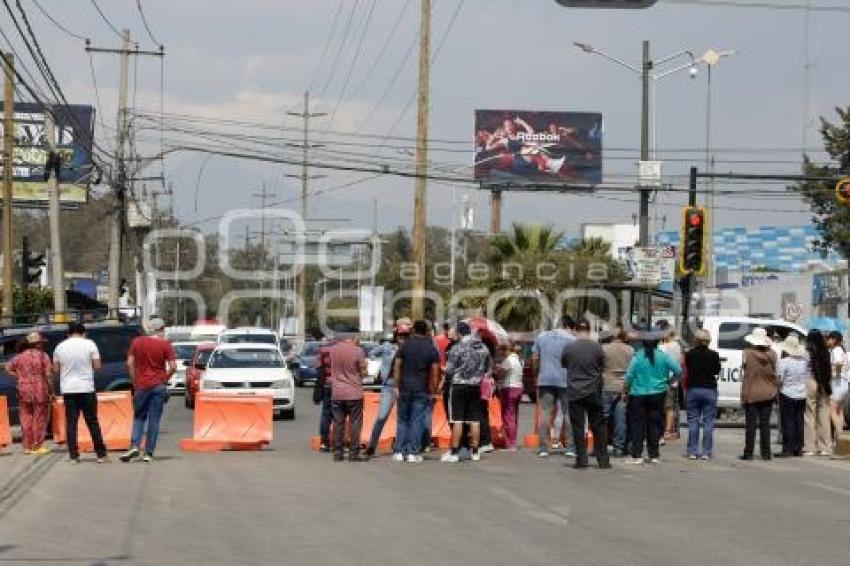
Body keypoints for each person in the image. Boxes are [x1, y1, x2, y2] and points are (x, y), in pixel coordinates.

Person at [120, 317, 176, 463]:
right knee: (154, 419)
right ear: (160, 329)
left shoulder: (137, 342)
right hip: (158, 385)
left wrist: (135, 381)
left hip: (141, 385)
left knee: (139, 417)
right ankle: (148, 453)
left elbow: (130, 363)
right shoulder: (166, 345)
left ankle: (134, 446)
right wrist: (164, 378)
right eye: (163, 329)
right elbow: (173, 366)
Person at [53, 323, 108, 463]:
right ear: (83, 333)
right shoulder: (90, 344)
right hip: (86, 388)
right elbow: (97, 366)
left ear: (68, 333)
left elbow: (56, 369)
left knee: (71, 422)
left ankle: (73, 456)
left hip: (68, 389)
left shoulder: (59, 347)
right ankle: (101, 454)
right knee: (92, 421)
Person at [624, 334, 682, 464]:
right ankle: (654, 455)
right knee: (654, 424)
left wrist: (625, 392)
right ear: (657, 343)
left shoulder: (637, 357)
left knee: (637, 425)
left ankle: (637, 455)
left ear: (643, 344)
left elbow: (629, 376)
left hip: (638, 394)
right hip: (658, 393)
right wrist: (669, 381)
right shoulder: (663, 356)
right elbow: (678, 370)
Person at [561, 321, 610, 469]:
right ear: (589, 331)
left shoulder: (569, 347)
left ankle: (581, 460)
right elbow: (603, 364)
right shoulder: (597, 347)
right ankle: (603, 460)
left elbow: (564, 364)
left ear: (576, 330)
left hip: (575, 391)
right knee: (598, 426)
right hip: (593, 390)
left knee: (578, 426)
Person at [441, 322, 491, 463]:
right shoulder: (483, 347)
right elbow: (488, 368)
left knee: (458, 419)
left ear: (460, 333)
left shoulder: (457, 348)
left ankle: (455, 452)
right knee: (475, 420)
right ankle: (475, 452)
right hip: (475, 386)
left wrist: (444, 370)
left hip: (458, 386)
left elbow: (450, 370)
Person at [393, 320, 440, 463]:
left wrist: (396, 385)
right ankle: (413, 452)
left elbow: (397, 365)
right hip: (421, 388)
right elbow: (435, 371)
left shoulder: (405, 345)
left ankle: (399, 452)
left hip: (405, 388)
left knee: (402, 420)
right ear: (426, 332)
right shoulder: (431, 348)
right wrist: (434, 390)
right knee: (417, 421)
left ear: (413, 331)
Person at [531, 316, 575, 458]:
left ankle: (543, 447)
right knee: (568, 413)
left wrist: (536, 374)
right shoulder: (572, 340)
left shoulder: (542, 337)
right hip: (565, 380)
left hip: (545, 379)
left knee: (545, 413)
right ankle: (570, 447)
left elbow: (535, 358)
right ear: (569, 326)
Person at [364, 323, 410, 458]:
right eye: (401, 335)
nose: (403, 337)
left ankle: (400, 447)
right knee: (381, 416)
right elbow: (371, 353)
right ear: (396, 335)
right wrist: (380, 367)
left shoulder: (410, 349)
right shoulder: (387, 347)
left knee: (403, 419)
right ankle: (372, 446)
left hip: (404, 386)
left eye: (406, 335)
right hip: (389, 386)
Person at [6, 333, 53, 456]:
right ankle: (37, 446)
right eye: (41, 343)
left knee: (25, 417)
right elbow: (48, 376)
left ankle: (27, 446)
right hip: (40, 389)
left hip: (23, 389)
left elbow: (7, 368)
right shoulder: (44, 357)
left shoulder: (19, 357)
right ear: (38, 344)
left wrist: (20, 376)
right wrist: (52, 391)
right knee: (39, 418)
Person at [740, 328, 780, 461]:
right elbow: (776, 372)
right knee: (765, 425)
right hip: (768, 392)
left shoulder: (746, 353)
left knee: (750, 425)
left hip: (751, 392)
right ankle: (766, 453)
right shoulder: (772, 355)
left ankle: (748, 453)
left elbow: (744, 368)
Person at [328, 334, 369, 462]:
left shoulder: (333, 350)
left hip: (337, 392)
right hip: (354, 392)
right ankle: (354, 453)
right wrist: (365, 367)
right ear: (354, 337)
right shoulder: (358, 351)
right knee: (355, 423)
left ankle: (338, 452)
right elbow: (363, 373)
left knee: (338, 422)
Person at [684, 329, 722, 460]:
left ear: (696, 340)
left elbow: (688, 368)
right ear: (708, 341)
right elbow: (717, 370)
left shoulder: (689, 354)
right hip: (709, 389)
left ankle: (692, 451)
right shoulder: (714, 354)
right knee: (708, 422)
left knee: (693, 421)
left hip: (693, 389)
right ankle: (706, 452)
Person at [775, 334, 809, 458]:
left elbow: (779, 380)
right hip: (801, 394)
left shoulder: (783, 362)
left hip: (787, 393)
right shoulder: (804, 362)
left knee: (787, 422)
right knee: (799, 421)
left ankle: (787, 448)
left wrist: (776, 390)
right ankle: (798, 448)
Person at [602, 329, 633, 457]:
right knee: (620, 419)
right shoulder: (630, 350)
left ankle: (601, 446)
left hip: (607, 384)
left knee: (603, 418)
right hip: (623, 387)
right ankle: (619, 447)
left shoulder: (604, 349)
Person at [804, 330, 832, 456]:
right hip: (824, 383)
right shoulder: (826, 352)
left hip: (810, 382)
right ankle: (825, 447)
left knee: (810, 415)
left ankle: (810, 447)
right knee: (824, 415)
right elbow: (828, 370)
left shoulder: (807, 353)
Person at [314, 336, 339, 453]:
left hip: (327, 386)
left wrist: (318, 389)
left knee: (326, 414)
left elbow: (319, 370)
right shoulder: (345, 349)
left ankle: (324, 443)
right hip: (341, 386)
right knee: (340, 415)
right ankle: (338, 443)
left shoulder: (323, 350)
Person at [658, 323, 683, 443]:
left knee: (666, 407)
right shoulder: (677, 346)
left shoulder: (664, 347)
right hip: (674, 380)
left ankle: (665, 431)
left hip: (664, 379)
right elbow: (680, 363)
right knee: (672, 406)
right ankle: (671, 430)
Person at [497, 343, 524, 451]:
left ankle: (511, 443)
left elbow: (500, 374)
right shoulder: (519, 360)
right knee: (514, 416)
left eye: (501, 352)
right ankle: (513, 441)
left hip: (509, 388)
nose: (500, 354)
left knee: (509, 416)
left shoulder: (508, 360)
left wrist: (498, 369)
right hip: (519, 387)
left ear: (505, 351)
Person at [826, 331, 848, 443]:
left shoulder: (836, 350)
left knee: (832, 411)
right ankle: (839, 438)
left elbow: (838, 363)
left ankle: (840, 437)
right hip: (843, 385)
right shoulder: (842, 350)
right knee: (839, 411)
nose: (827, 341)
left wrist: (834, 373)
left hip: (837, 384)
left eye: (828, 339)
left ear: (834, 339)